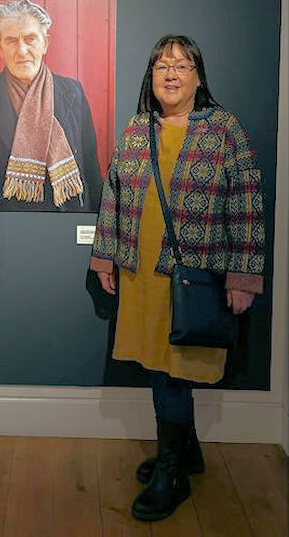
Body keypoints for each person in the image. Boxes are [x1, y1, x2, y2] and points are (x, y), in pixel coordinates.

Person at [90, 35, 264, 521]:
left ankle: (173, 473)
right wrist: (105, 259)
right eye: (162, 66)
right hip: (141, 274)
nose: (171, 74)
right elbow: (113, 197)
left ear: (198, 77)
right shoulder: (135, 129)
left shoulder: (225, 129)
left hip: (194, 278)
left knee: (176, 369)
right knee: (156, 364)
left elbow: (247, 206)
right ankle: (185, 453)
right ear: (152, 77)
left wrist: (242, 278)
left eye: (182, 66)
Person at [0, 0, 101, 211]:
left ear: (45, 42)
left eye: (30, 39)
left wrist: (94, 219)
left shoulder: (73, 92)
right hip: (5, 226)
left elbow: (90, 165)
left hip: (66, 220)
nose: (22, 51)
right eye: (11, 41)